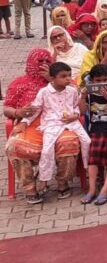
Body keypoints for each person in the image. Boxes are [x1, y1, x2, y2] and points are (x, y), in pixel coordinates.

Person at [4, 49, 85, 204]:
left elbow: (77, 98)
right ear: (30, 63)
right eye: (39, 62)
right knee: (15, 146)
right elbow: (7, 107)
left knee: (69, 143)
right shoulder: (19, 83)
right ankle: (30, 187)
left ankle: (62, 182)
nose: (43, 65)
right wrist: (17, 112)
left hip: (60, 123)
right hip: (30, 125)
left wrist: (51, 79)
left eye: (47, 61)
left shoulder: (63, 79)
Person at [22, 62, 92, 197]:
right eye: (63, 76)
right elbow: (36, 109)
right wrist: (25, 121)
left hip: (71, 122)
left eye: (69, 75)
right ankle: (43, 180)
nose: (68, 79)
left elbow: (76, 106)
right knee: (47, 150)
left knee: (87, 141)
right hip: (51, 124)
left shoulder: (72, 90)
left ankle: (86, 170)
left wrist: (75, 115)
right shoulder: (44, 92)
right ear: (52, 78)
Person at [78, 64, 107, 206]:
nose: (101, 83)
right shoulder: (89, 95)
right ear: (92, 80)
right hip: (95, 129)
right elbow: (82, 112)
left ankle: (105, 189)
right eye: (98, 80)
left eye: (105, 80)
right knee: (93, 159)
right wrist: (83, 96)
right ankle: (91, 189)